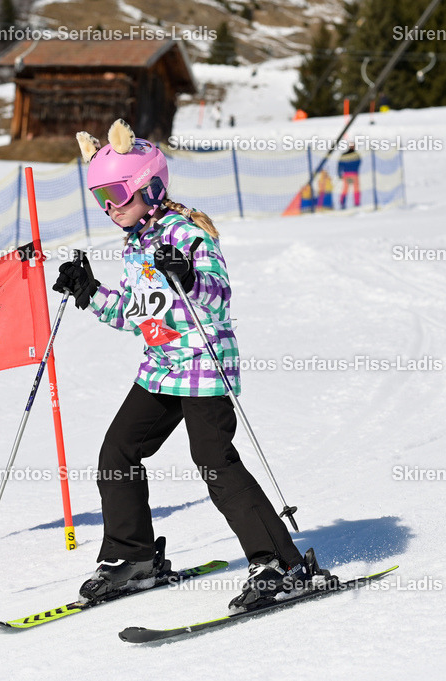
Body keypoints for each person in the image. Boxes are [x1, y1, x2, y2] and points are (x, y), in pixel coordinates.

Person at [54, 119, 324, 612]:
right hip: (161, 366)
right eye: (100, 198)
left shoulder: (186, 231)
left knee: (213, 460)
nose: (110, 207)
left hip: (201, 361)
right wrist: (90, 293)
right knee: (118, 452)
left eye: (117, 193)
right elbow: (135, 315)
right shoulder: (135, 243)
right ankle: (133, 558)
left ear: (150, 187)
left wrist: (189, 276)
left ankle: (281, 566)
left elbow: (218, 296)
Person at [337, 145, 361, 209]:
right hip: (353, 174)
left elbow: (340, 164)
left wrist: (339, 173)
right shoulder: (356, 155)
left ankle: (343, 203)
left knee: (346, 189)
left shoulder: (345, 155)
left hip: (347, 174)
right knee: (355, 189)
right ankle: (356, 204)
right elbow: (359, 163)